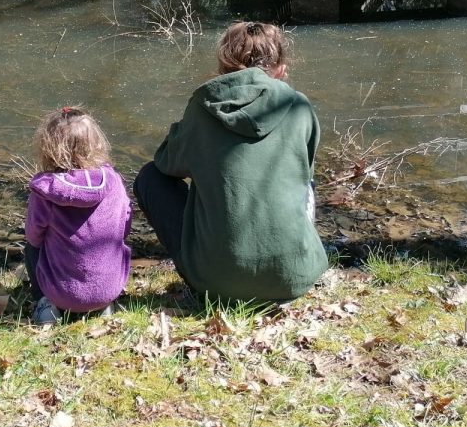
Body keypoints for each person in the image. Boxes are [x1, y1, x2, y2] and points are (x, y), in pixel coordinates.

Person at [133, 21, 327, 304]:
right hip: (295, 278)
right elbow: (305, 179)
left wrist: (188, 134)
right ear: (281, 68)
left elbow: (165, 164)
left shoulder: (204, 105)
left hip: (216, 283)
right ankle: (290, 256)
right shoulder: (299, 106)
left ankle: (214, 266)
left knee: (150, 178)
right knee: (304, 179)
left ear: (223, 64)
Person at [24, 107, 132, 325]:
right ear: (96, 143)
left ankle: (45, 305)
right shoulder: (113, 181)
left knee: (31, 248)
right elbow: (125, 225)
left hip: (61, 293)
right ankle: (103, 306)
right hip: (109, 289)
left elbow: (33, 236)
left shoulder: (46, 190)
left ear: (48, 147)